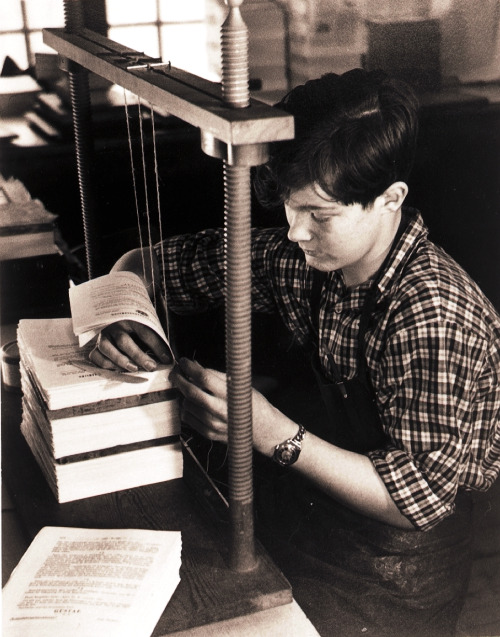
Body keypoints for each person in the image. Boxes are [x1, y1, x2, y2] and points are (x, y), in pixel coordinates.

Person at [89, 69, 500, 637]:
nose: (295, 232)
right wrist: (121, 312)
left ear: (390, 198)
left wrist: (264, 428)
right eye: (290, 206)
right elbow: (143, 263)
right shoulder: (302, 260)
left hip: (398, 577)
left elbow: (416, 502)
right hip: (312, 530)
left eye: (319, 215)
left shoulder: (430, 313)